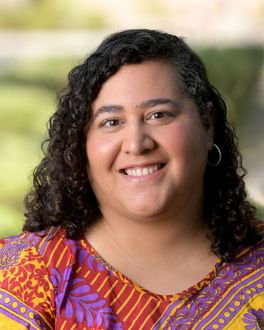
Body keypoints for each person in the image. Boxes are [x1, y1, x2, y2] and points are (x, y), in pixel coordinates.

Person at [0, 29, 263, 329]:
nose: (137, 144)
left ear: (207, 124)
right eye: (111, 122)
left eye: (159, 115)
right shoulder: (25, 276)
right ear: (81, 145)